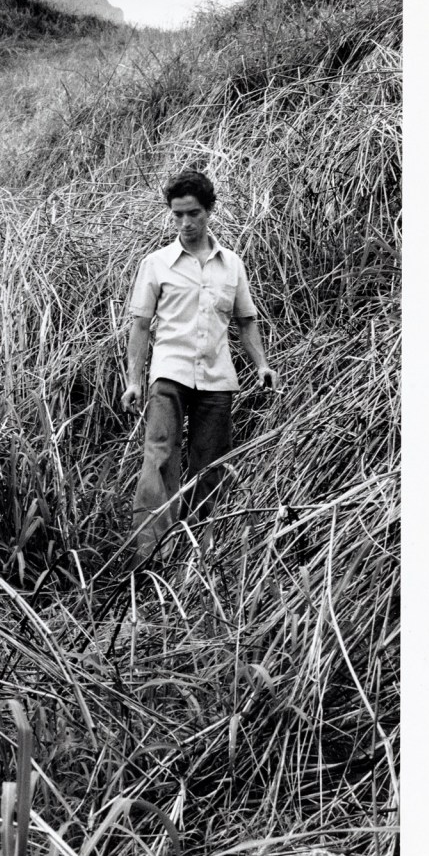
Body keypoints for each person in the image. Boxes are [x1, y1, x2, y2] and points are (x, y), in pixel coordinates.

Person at [121, 170, 278, 563]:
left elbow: (246, 321)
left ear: (209, 211)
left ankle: (195, 561)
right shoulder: (156, 264)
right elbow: (140, 325)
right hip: (169, 374)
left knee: (210, 468)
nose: (185, 223)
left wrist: (261, 365)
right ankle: (151, 558)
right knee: (158, 459)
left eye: (193, 214)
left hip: (217, 379)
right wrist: (133, 381)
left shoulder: (232, 266)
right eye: (177, 215)